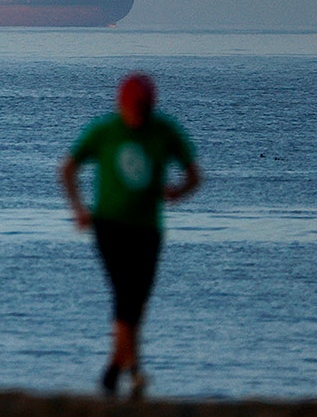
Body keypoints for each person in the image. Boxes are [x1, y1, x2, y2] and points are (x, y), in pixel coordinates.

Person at [60, 72, 202, 399]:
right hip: (110, 226)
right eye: (133, 107)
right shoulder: (104, 131)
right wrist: (79, 209)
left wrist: (177, 193)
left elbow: (195, 175)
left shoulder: (164, 131)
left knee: (135, 301)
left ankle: (115, 368)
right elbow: (68, 168)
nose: (137, 114)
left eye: (143, 108)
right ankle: (131, 372)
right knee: (127, 295)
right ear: (121, 104)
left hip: (148, 229)